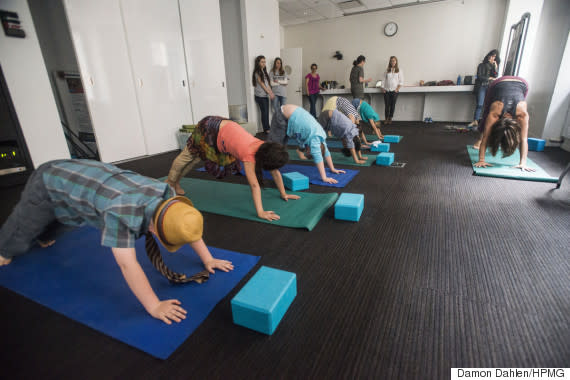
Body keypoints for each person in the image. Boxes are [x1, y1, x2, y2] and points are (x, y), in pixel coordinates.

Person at [0, 159, 234, 325]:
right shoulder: (121, 214)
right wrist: (154, 305)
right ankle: (4, 248)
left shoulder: (168, 197)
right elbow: (127, 264)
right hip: (50, 180)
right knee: (24, 229)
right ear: (153, 229)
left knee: (62, 223)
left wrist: (208, 258)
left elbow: (186, 224)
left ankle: (43, 234)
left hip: (84, 181)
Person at [165, 116, 300, 221]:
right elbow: (254, 186)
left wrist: (284, 194)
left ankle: (176, 182)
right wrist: (260, 212)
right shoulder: (249, 155)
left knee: (196, 159)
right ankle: (170, 182)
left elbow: (275, 172)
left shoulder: (265, 149)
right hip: (210, 128)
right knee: (188, 156)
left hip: (224, 129)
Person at [268, 104, 346, 184]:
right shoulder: (315, 140)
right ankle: (260, 162)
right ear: (312, 149)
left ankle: (269, 161)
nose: (306, 151)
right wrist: (324, 177)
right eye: (308, 152)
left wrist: (332, 168)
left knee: (281, 147)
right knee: (273, 147)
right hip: (283, 114)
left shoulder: (321, 136)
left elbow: (326, 152)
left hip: (291, 113)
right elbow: (318, 157)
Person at [473, 76, 535, 172]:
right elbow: (523, 139)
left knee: (488, 119)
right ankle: (478, 139)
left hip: (522, 84)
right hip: (497, 84)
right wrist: (481, 160)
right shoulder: (495, 113)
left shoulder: (522, 114)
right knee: (486, 112)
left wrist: (523, 163)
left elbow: (523, 139)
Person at [469, 50, 499, 128]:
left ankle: (485, 122)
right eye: (491, 56)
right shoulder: (481, 65)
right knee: (480, 104)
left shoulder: (493, 66)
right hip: (481, 86)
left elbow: (495, 76)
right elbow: (479, 76)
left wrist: (495, 68)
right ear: (488, 56)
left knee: (488, 105)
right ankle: (475, 121)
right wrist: (489, 78)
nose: (492, 58)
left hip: (490, 87)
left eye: (494, 57)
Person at [252, 55, 274, 134]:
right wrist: (269, 93)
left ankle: (267, 128)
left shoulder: (264, 72)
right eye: (262, 62)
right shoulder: (257, 72)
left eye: (265, 62)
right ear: (258, 63)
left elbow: (267, 84)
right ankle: (266, 129)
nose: (264, 63)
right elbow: (262, 84)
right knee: (264, 113)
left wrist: (271, 92)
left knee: (266, 113)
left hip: (265, 96)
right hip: (260, 96)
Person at [382, 56, 403, 124]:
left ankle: (390, 118)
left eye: (394, 60)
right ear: (390, 62)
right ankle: (386, 119)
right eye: (391, 61)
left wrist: (397, 89)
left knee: (392, 105)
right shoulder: (387, 70)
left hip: (394, 91)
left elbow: (401, 81)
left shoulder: (399, 70)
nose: (392, 62)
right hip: (387, 90)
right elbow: (383, 80)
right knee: (387, 105)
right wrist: (383, 88)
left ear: (396, 62)